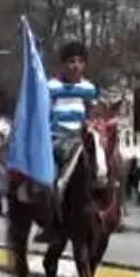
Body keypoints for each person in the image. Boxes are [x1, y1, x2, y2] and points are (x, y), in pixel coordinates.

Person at [35, 41, 99, 243]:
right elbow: (43, 114)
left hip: (81, 137)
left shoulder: (88, 88)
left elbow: (93, 113)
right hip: (58, 138)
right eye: (71, 62)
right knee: (53, 177)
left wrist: (92, 125)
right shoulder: (51, 87)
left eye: (80, 62)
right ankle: (51, 222)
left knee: (106, 162)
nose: (76, 66)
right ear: (63, 64)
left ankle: (110, 210)